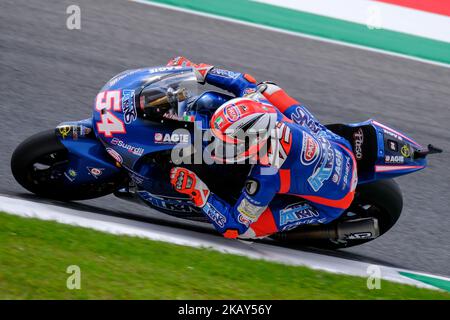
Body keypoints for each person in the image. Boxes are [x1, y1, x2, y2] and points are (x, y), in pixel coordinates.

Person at [168, 57, 358, 239]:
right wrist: (199, 69)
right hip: (340, 147)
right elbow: (242, 81)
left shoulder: (266, 176)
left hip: (337, 198)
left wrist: (198, 191)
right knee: (267, 88)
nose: (217, 148)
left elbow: (234, 226)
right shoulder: (259, 103)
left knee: (246, 232)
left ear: (252, 145)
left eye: (225, 144)